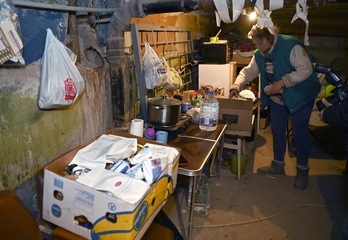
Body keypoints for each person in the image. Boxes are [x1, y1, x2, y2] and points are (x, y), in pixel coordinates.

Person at [229, 25, 321, 189]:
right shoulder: (259, 54)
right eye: (256, 44)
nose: (259, 47)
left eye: (261, 43)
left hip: (301, 95)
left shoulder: (291, 46)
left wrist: (282, 82)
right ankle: (278, 165)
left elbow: (306, 69)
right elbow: (248, 72)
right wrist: (236, 86)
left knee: (299, 133)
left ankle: (302, 170)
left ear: (271, 38)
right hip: (279, 97)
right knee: (277, 130)